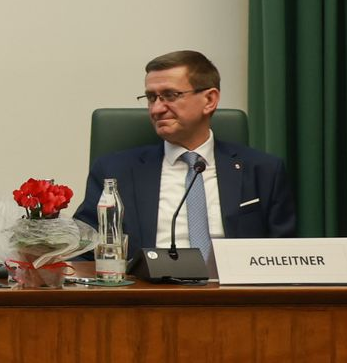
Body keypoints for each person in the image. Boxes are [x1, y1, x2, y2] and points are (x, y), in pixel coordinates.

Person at [74, 50, 295, 254]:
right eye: (151, 98)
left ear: (209, 100)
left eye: (170, 95)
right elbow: (84, 250)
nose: (157, 109)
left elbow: (285, 254)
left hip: (233, 283)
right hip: (147, 283)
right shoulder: (114, 171)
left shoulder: (264, 170)